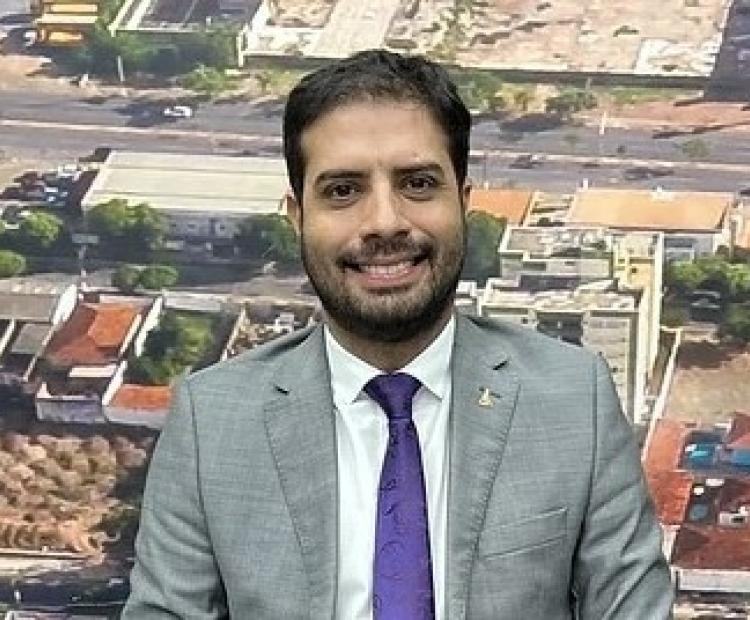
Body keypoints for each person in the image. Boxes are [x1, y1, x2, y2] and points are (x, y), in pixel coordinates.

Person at [122, 50, 673, 619]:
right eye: (343, 191)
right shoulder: (212, 421)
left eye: (417, 183)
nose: (384, 221)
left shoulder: (572, 397)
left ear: (463, 203)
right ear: (298, 217)